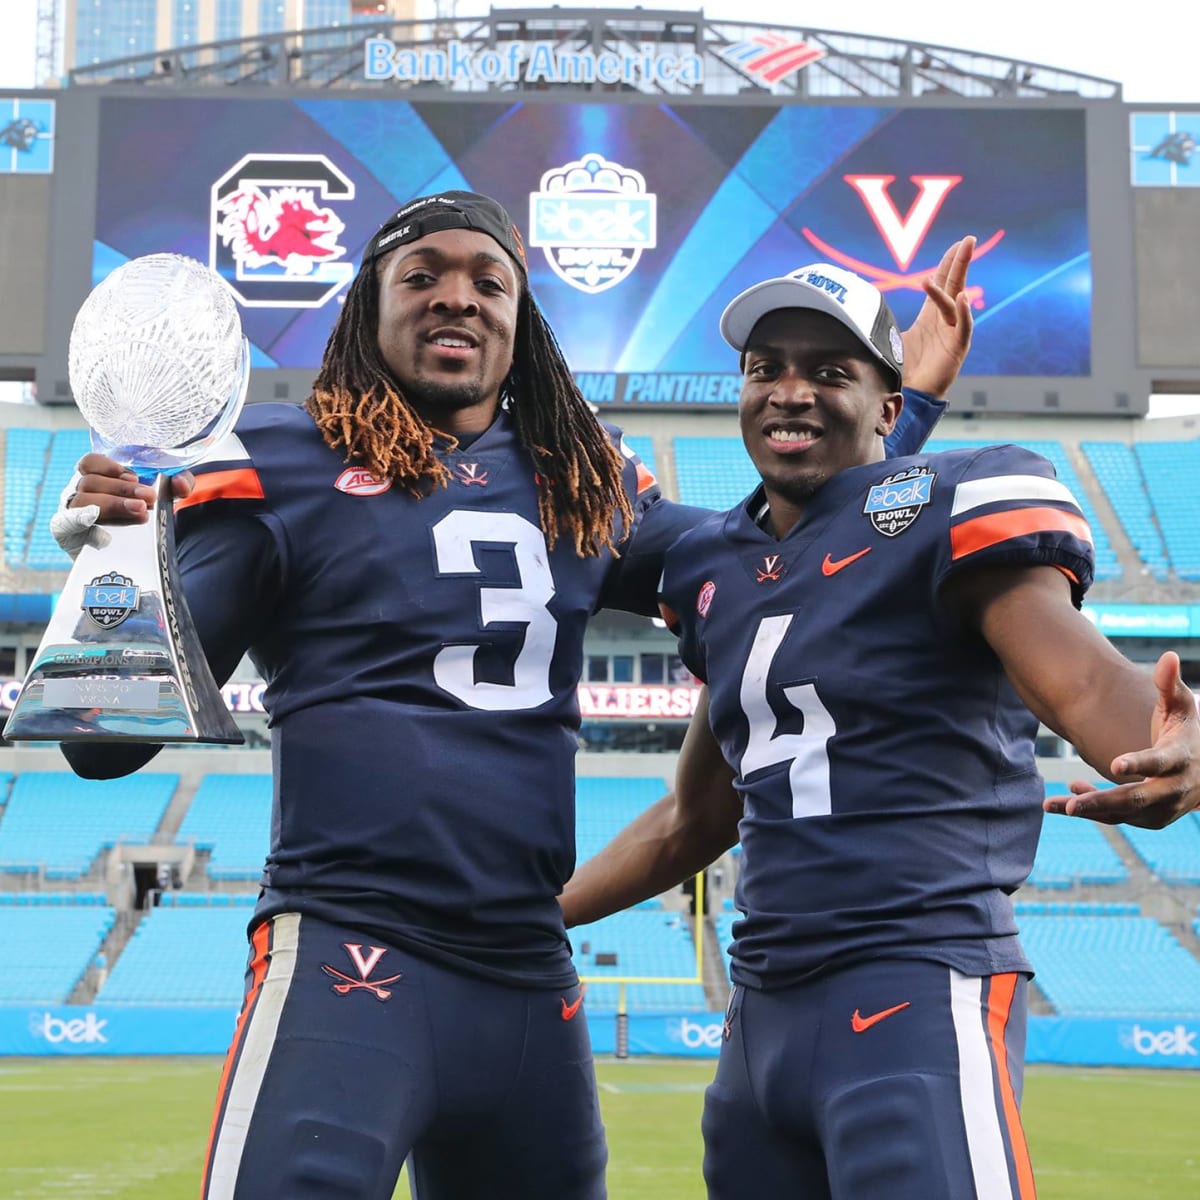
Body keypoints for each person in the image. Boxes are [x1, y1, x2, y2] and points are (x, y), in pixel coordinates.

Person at [47, 193, 975, 1200]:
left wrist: (894, 414)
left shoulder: (579, 476)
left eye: (489, 281)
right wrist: (117, 566)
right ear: (369, 307)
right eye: (423, 275)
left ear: (521, 318)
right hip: (351, 950)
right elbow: (100, 743)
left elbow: (781, 566)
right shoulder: (278, 463)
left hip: (531, 980)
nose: (459, 298)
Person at [560, 262, 1200, 1199]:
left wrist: (1167, 739)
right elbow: (692, 819)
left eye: (829, 371)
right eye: (767, 366)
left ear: (888, 405)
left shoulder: (956, 504)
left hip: (915, 980)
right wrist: (535, 921)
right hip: (761, 1020)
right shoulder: (714, 566)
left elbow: (1085, 677)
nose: (789, 390)